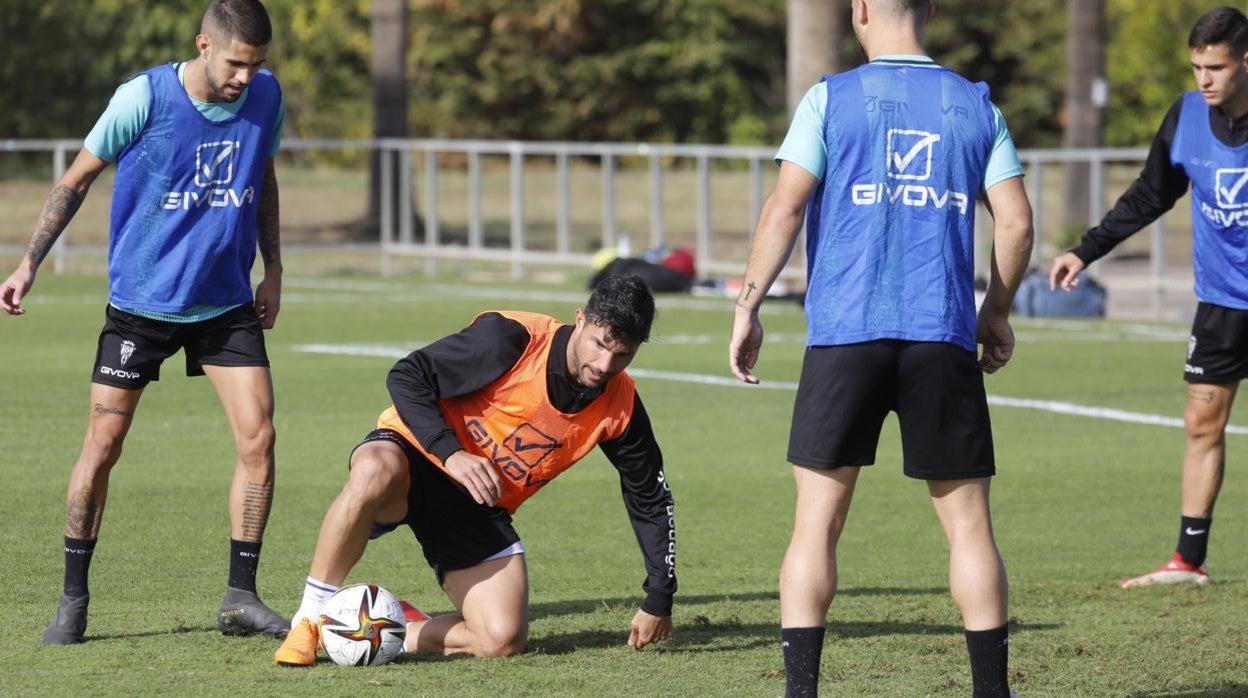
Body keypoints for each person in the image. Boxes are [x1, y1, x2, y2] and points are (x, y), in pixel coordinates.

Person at [728, 1, 1034, 696]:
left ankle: (801, 691)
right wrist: (994, 312)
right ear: (929, 8)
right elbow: (1015, 224)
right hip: (941, 335)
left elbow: (785, 206)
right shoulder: (975, 105)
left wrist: (748, 305)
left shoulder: (829, 99)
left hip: (845, 335)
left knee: (816, 526)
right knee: (969, 528)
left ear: (861, 8)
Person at [0, 0, 288, 644]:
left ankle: (240, 596)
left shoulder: (267, 96)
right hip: (142, 307)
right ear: (204, 46)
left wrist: (273, 268)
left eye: (257, 64)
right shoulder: (144, 98)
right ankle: (73, 600)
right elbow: (75, 181)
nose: (246, 77)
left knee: (260, 438)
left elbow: (263, 178)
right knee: (102, 446)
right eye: (236, 64)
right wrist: (27, 263)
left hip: (225, 305)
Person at [273, 274, 676, 666]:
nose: (604, 364)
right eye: (600, 344)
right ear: (581, 319)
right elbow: (408, 375)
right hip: (414, 456)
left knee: (501, 639)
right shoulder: (513, 339)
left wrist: (658, 597)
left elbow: (650, 498)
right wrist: (450, 453)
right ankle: (308, 620)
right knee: (374, 470)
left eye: (622, 355)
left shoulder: (621, 406)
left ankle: (398, 630)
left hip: (475, 506)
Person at [1050, 6, 1248, 590]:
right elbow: (1149, 195)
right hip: (1222, 302)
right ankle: (1188, 560)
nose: (1204, 80)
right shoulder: (1187, 117)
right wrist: (1085, 250)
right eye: (1196, 68)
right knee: (1201, 422)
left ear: (1246, 62)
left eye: (1216, 68)